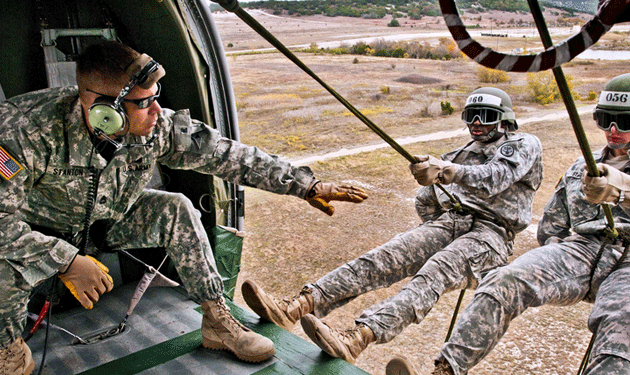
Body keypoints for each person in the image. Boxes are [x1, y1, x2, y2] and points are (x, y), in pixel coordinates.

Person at [0, 40, 369, 374]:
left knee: (175, 208)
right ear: (102, 111)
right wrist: (64, 260)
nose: (158, 110)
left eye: (155, 97)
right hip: (37, 236)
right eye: (144, 103)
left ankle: (216, 321)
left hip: (107, 223)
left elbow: (224, 154)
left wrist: (305, 185)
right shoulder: (24, 130)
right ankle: (8, 349)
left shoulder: (155, 126)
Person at [241, 87, 543, 364]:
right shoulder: (465, 152)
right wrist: (433, 220)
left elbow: (496, 177)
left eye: (486, 117)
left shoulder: (524, 144)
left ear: (505, 120)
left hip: (491, 234)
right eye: (471, 116)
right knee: (386, 256)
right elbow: (426, 199)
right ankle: (296, 306)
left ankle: (357, 338)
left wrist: (446, 172)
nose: (477, 123)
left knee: (434, 272)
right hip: (452, 221)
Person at [393, 73, 630, 375]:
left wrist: (621, 189)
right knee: (503, 281)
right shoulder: (582, 168)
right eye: (606, 119)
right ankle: (446, 370)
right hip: (582, 251)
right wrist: (557, 256)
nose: (613, 130)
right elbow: (552, 225)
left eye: (624, 122)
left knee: (620, 327)